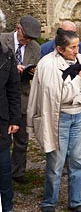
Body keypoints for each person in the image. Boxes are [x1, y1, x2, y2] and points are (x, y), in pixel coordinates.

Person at [27, 28, 81, 212]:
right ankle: (49, 202)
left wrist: (78, 99)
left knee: (78, 161)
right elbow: (59, 97)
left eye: (78, 46)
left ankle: (75, 202)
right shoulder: (48, 65)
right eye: (73, 47)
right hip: (58, 117)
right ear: (60, 49)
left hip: (78, 115)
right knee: (56, 163)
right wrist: (79, 78)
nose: (77, 51)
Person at [0, 14, 41, 184]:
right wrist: (11, 68)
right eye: (26, 37)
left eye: (31, 39)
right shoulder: (2, 39)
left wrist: (31, 72)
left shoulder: (36, 48)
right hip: (2, 97)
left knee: (22, 140)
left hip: (22, 97)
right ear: (18, 28)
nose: (28, 41)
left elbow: (37, 74)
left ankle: (17, 173)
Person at [0, 9, 21, 212]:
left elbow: (13, 89)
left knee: (4, 171)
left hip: (2, 122)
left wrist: (15, 118)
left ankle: (7, 207)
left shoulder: (6, 55)